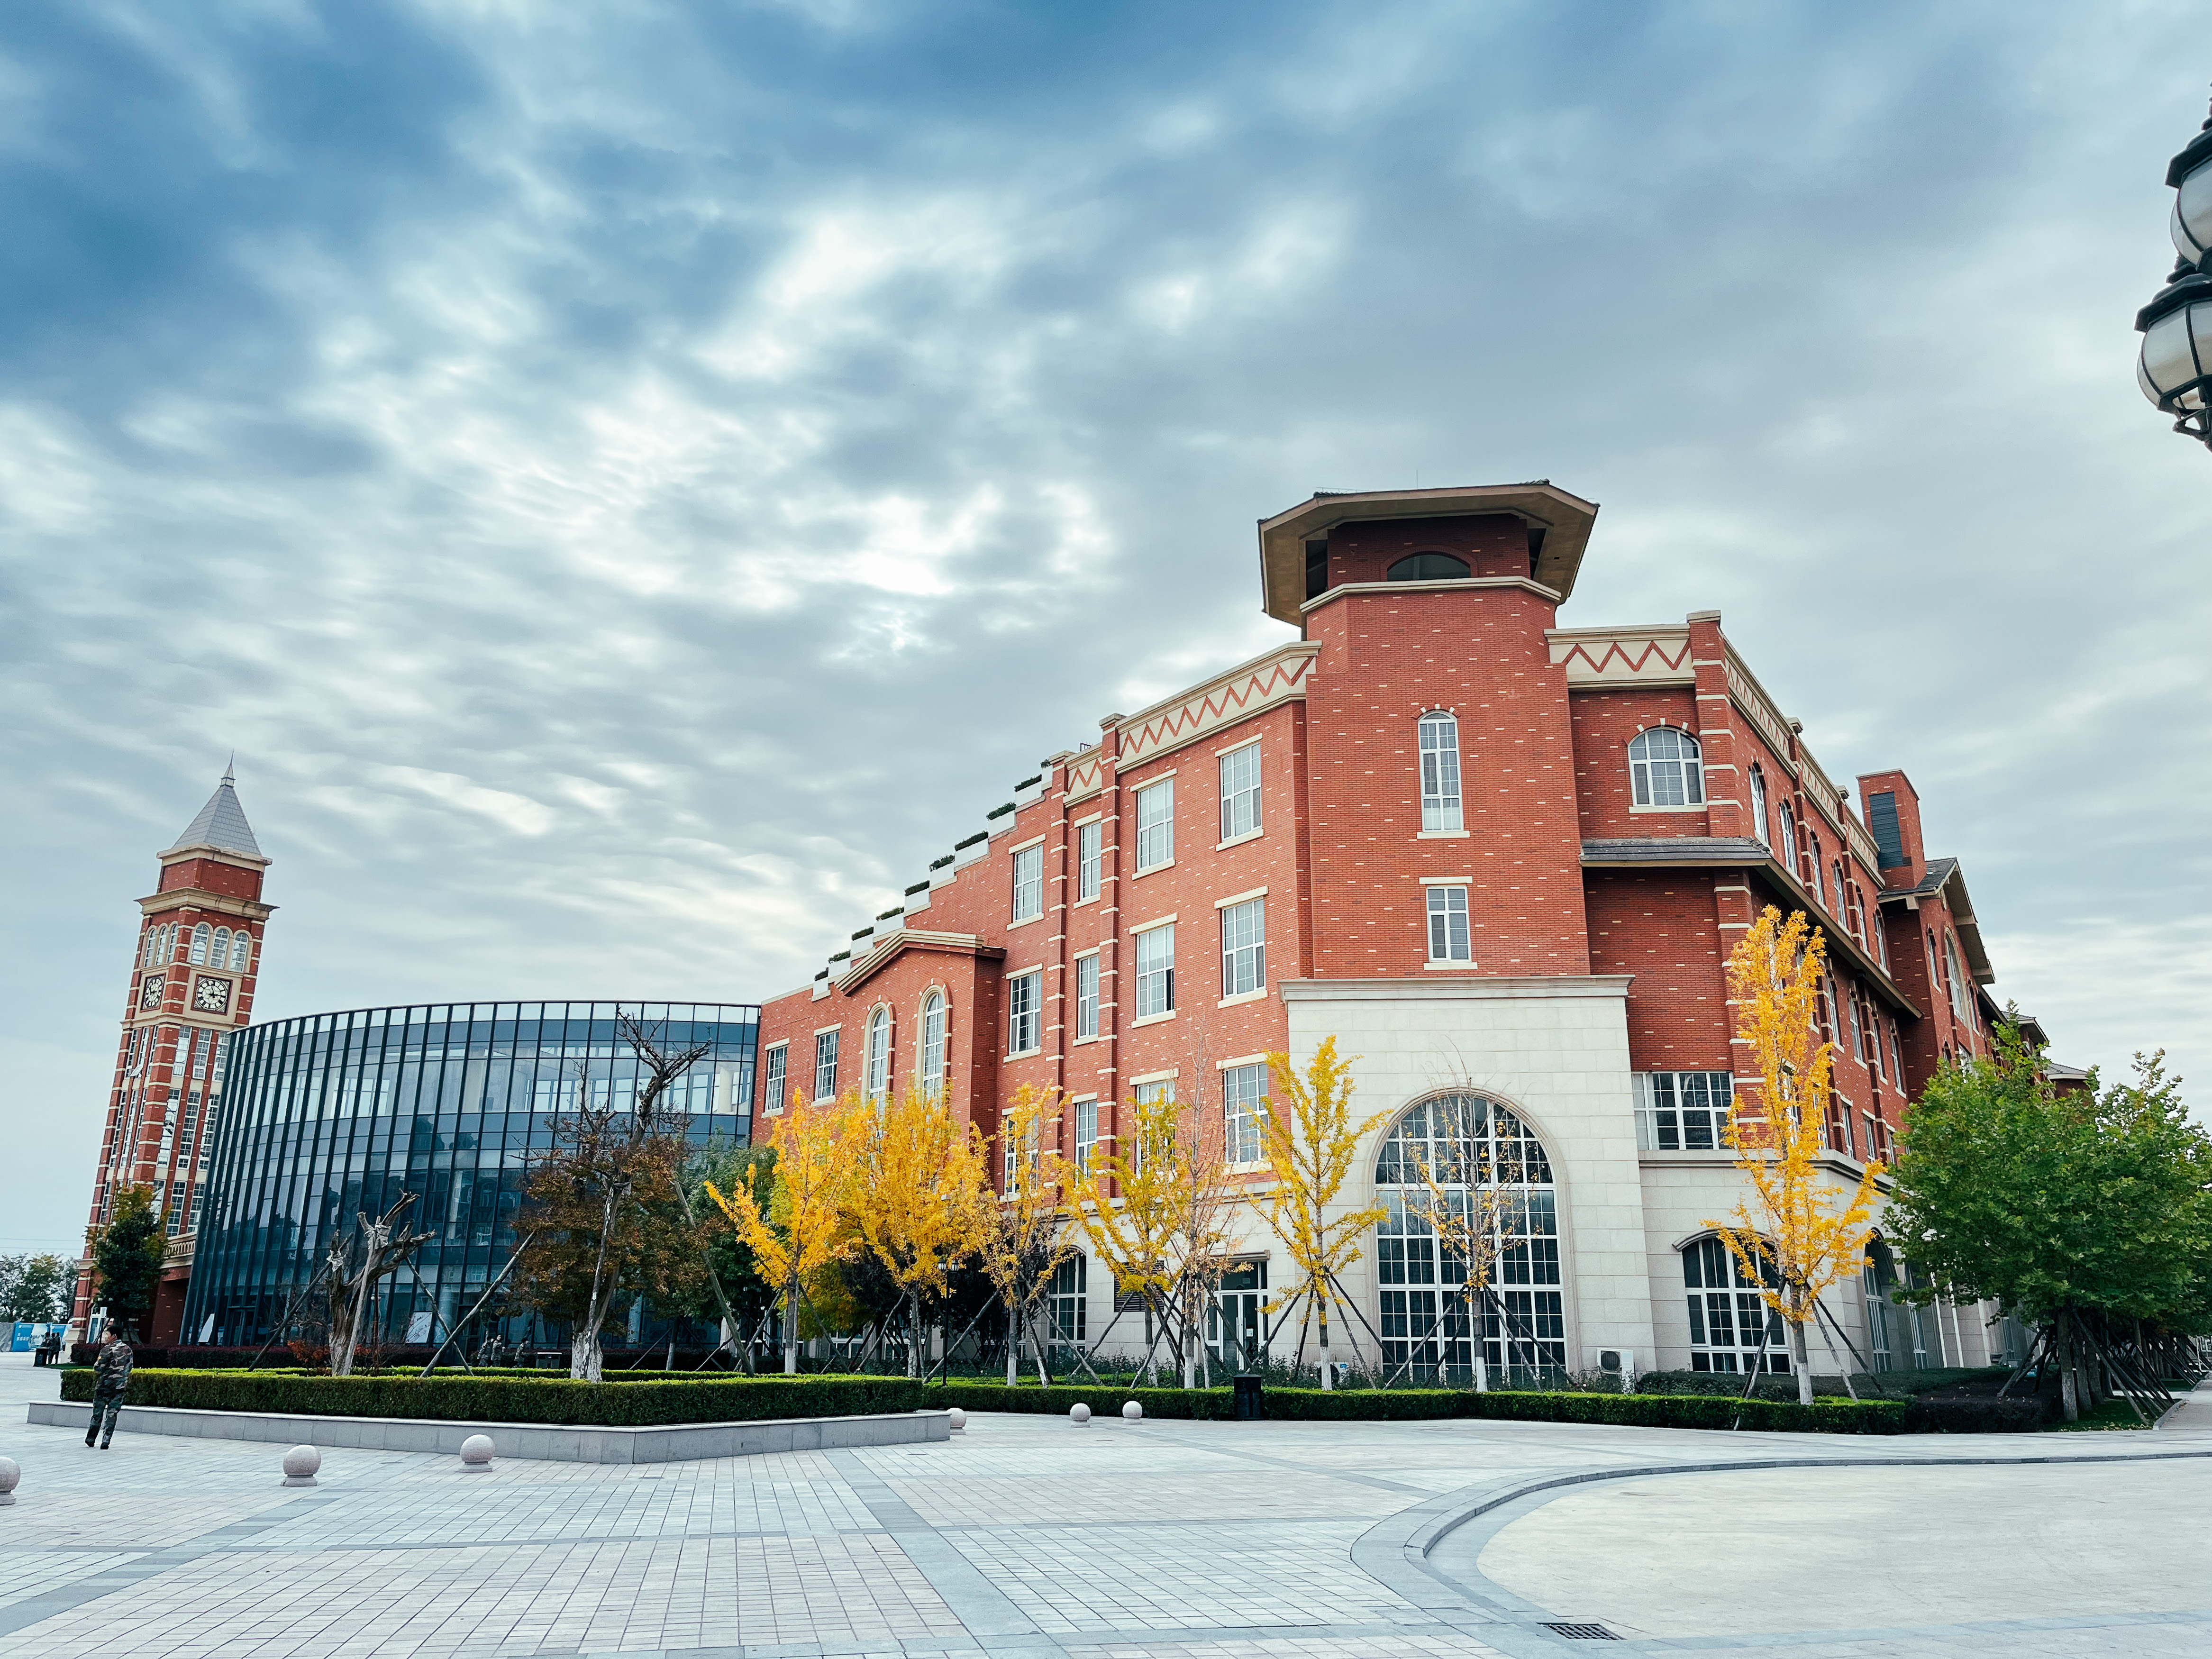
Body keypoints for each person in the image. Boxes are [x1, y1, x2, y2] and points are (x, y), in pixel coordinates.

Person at [85, 1327, 135, 1449]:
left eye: (107, 1335)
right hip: (120, 1387)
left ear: (114, 1336)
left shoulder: (107, 1350)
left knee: (98, 1414)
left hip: (104, 1387)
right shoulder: (128, 1350)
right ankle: (106, 1441)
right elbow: (130, 1368)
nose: (106, 1338)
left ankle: (91, 1439)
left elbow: (98, 1368)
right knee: (112, 1415)